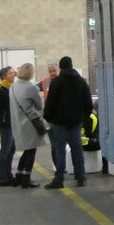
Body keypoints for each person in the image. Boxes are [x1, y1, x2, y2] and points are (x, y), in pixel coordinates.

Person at [42, 55, 93, 188]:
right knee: (77, 149)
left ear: (60, 67)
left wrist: (48, 117)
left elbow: (50, 102)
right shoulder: (81, 82)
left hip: (59, 123)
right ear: (71, 65)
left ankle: (59, 179)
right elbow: (88, 103)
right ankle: (80, 177)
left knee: (60, 150)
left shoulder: (56, 82)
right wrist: (83, 117)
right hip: (76, 122)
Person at [8, 63, 44, 188]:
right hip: (30, 123)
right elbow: (40, 105)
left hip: (17, 122)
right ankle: (26, 179)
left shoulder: (13, 87)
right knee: (31, 151)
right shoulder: (32, 87)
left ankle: (19, 176)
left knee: (27, 150)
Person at [0, 65, 17, 187]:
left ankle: (8, 174)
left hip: (13, 124)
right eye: (10, 73)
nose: (13, 74)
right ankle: (1, 177)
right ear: (4, 76)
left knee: (12, 149)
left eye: (13, 72)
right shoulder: (0, 92)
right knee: (5, 150)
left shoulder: (12, 89)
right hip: (6, 125)